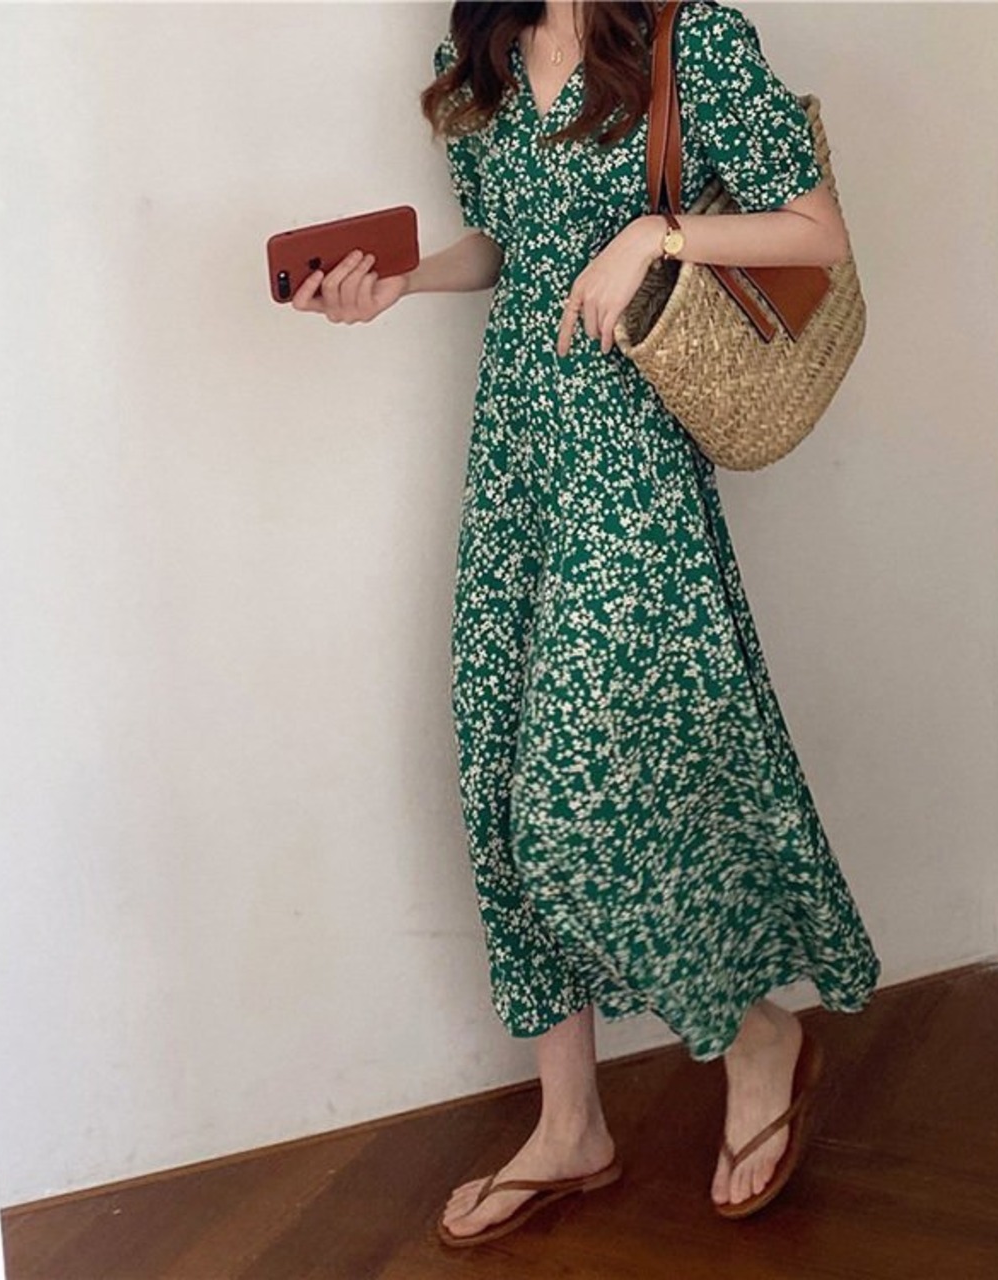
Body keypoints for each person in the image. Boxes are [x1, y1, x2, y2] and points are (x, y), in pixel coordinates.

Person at [291, 0, 881, 1248]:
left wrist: (653, 235)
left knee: (573, 809)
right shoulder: (482, 50)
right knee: (501, 784)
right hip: (515, 453)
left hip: (629, 461)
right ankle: (570, 1124)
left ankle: (758, 1037)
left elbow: (815, 230)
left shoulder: (687, 37)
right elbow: (511, 245)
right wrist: (402, 281)